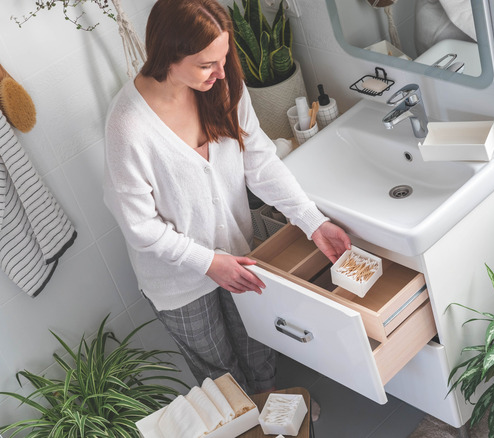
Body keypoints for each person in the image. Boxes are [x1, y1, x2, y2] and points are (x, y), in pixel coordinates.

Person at [102, 0, 351, 398]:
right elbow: (140, 227)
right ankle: (250, 421)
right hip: (178, 280)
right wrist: (208, 262)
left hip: (236, 250)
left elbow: (260, 163)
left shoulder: (224, 86)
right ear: (168, 53)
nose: (220, 73)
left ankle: (275, 412)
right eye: (206, 64)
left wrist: (312, 221)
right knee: (221, 372)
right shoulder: (128, 125)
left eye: (223, 58)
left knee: (258, 344)